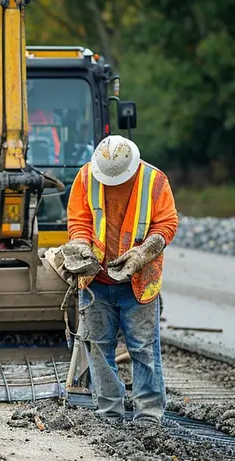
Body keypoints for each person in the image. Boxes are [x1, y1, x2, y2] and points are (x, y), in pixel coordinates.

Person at [61, 135, 178, 425]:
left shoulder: (154, 181)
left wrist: (141, 255)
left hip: (138, 282)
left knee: (144, 350)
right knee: (99, 350)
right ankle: (109, 415)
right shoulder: (87, 177)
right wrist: (81, 247)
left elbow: (167, 224)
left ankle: (148, 417)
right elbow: (80, 220)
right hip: (96, 281)